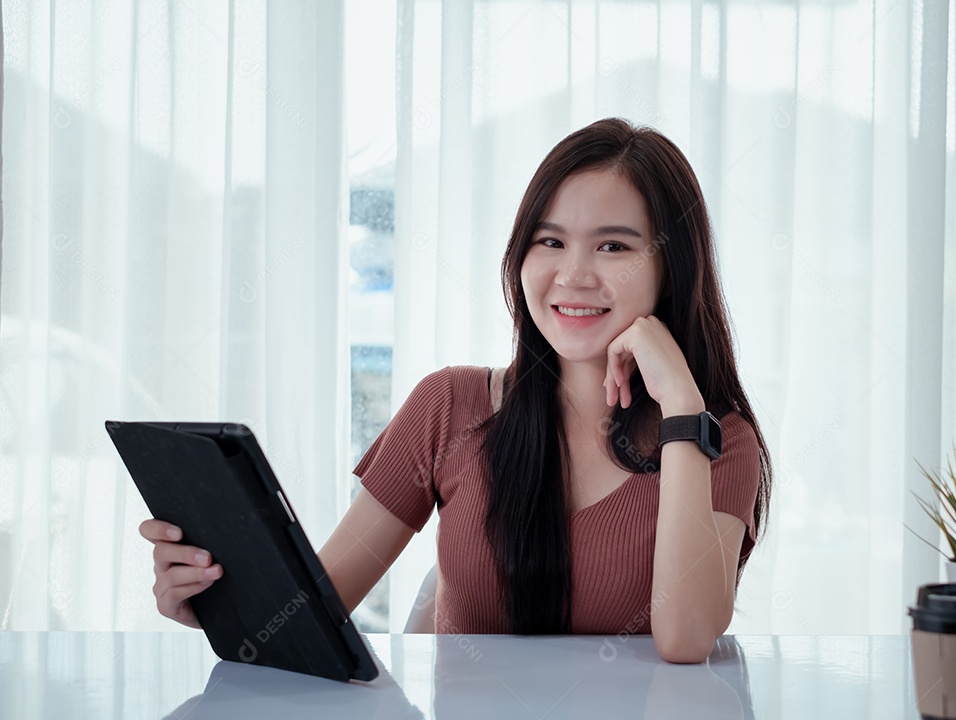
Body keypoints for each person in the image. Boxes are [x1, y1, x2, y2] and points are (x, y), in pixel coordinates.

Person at [140, 118, 773, 664]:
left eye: (613, 246)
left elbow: (686, 638)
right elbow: (314, 607)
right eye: (549, 242)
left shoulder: (718, 438)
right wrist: (219, 603)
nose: (573, 275)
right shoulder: (449, 408)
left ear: (672, 268)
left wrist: (683, 410)